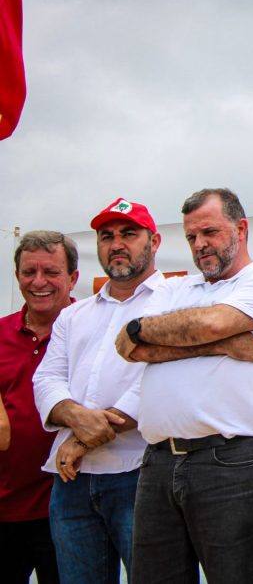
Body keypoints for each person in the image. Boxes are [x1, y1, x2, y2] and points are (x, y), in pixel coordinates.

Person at [114, 188, 253, 583]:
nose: (200, 245)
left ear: (241, 228)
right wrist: (223, 346)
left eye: (209, 232)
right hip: (158, 462)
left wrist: (157, 331)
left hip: (231, 462)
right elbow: (128, 346)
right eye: (192, 237)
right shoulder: (173, 287)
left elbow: (208, 323)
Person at [32, 198, 163, 582]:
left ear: (154, 242)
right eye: (106, 236)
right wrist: (80, 422)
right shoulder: (75, 314)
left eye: (128, 234)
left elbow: (157, 380)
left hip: (139, 470)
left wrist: (82, 439)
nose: (116, 244)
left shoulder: (176, 301)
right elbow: (46, 379)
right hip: (72, 481)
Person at [0, 231, 79, 584]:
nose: (39, 282)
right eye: (29, 272)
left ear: (73, 277)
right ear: (17, 277)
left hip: (72, 510)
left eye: (51, 272)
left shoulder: (94, 332)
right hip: (4, 510)